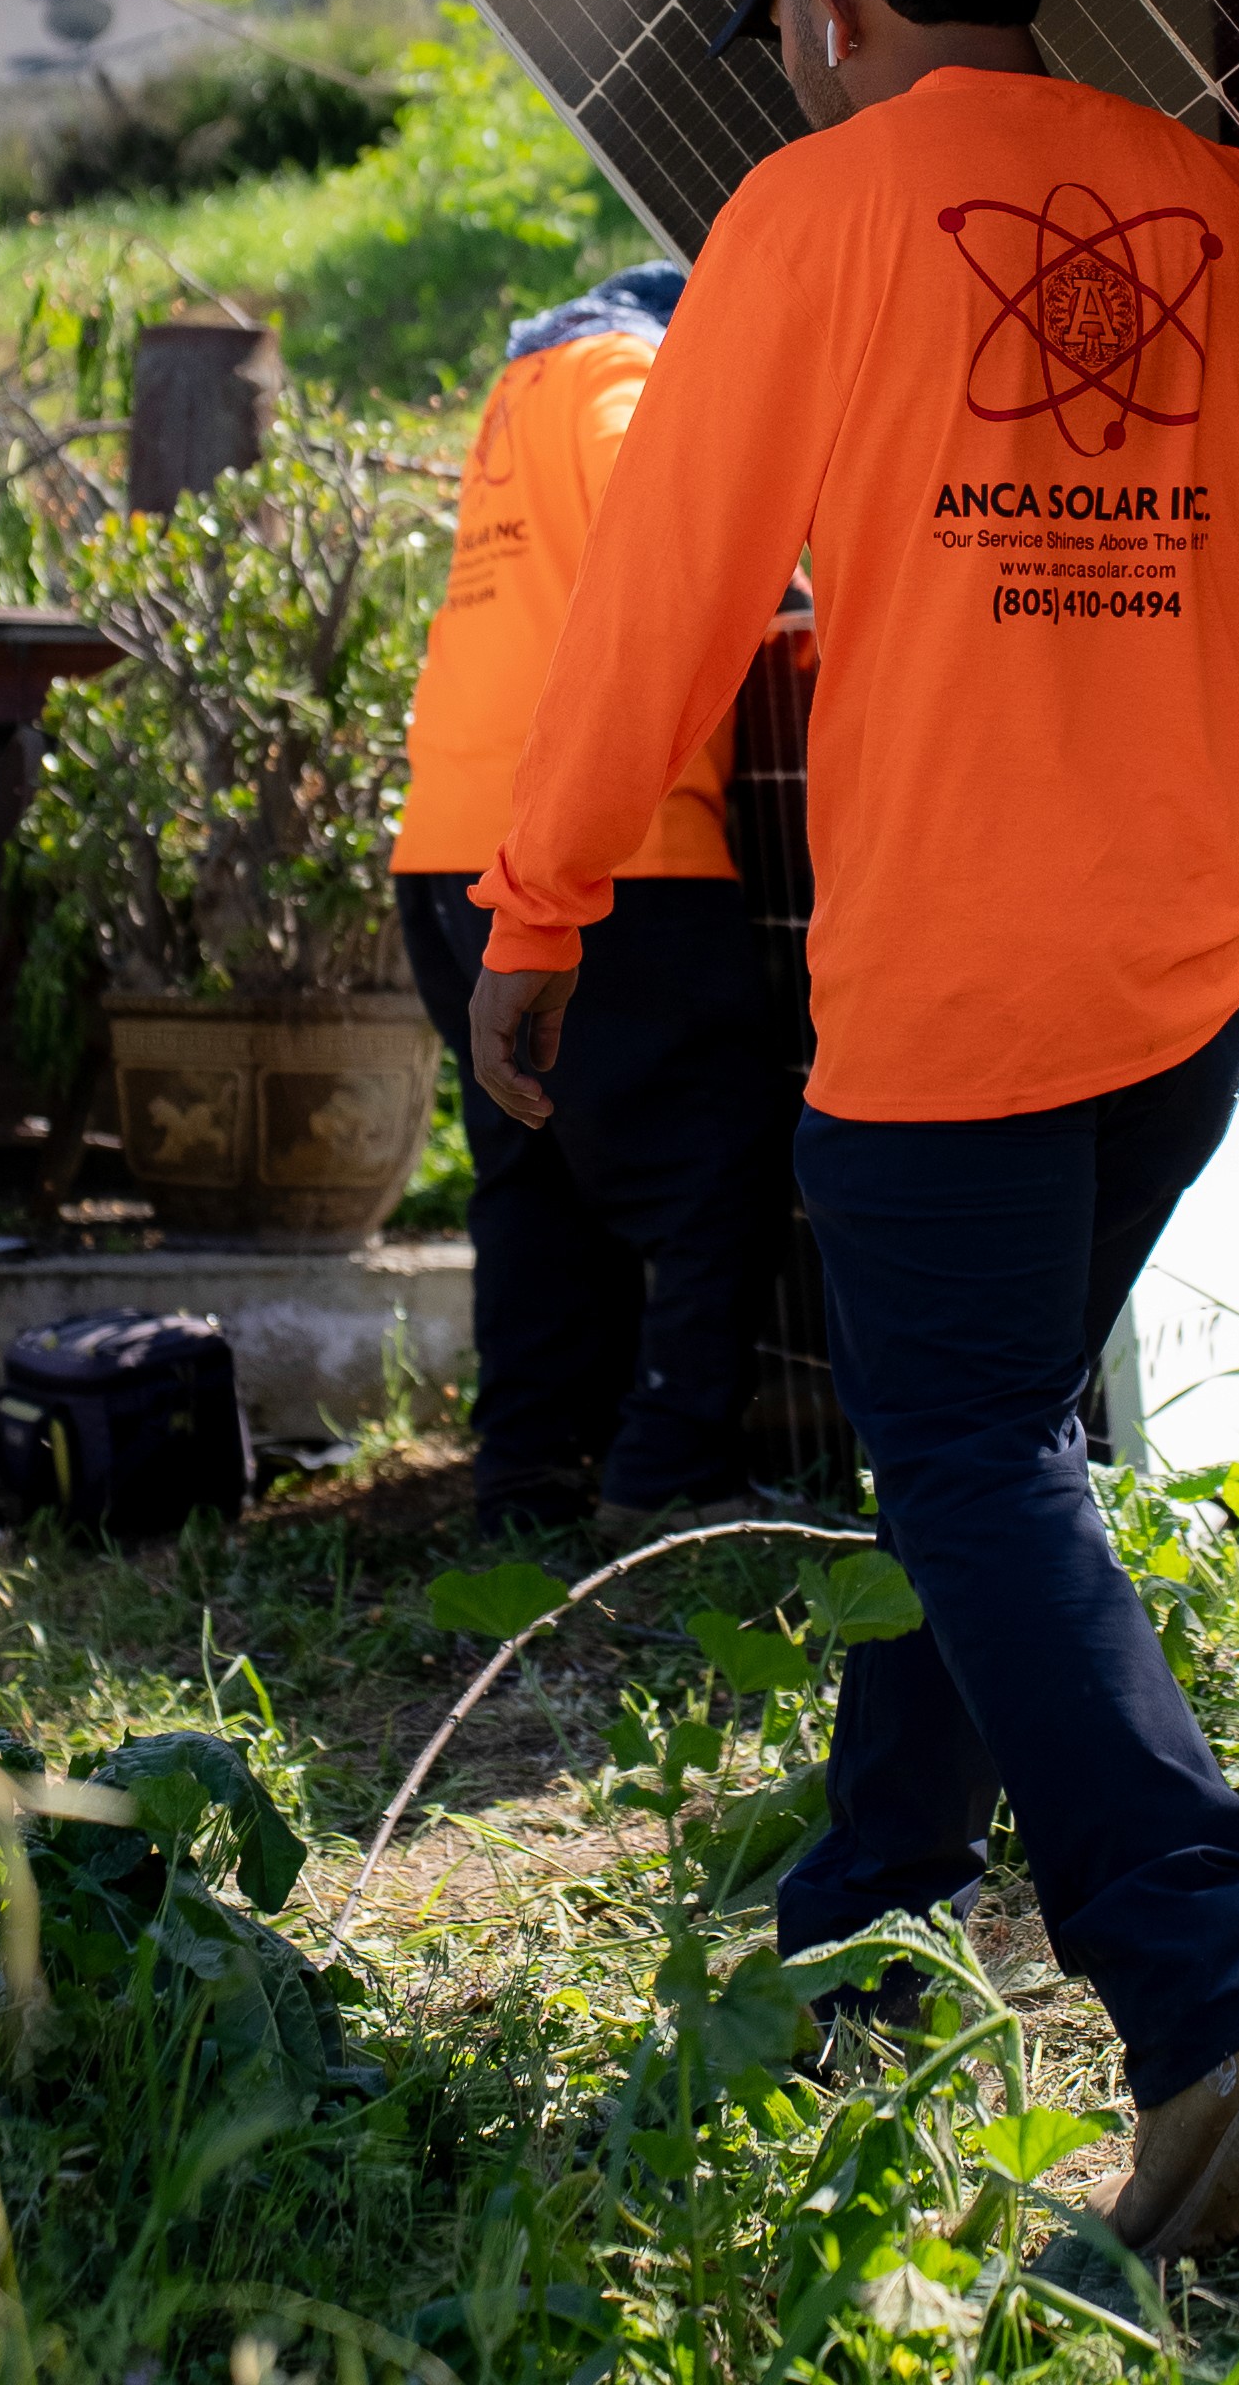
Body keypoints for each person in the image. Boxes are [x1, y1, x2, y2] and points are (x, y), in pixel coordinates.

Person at [463, 0, 1239, 2258]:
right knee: (988, 1438)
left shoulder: (805, 214)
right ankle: (871, 1908)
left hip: (956, 982)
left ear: (829, 10)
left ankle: (1211, 2000)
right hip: (1189, 968)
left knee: (961, 1448)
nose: (775, 74)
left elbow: (660, 612)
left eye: (769, 32)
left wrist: (540, 906)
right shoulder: (1235, 204)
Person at [391, 261, 792, 1543]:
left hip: (445, 845)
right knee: (713, 1163)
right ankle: (671, 1476)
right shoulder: (632, 366)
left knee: (537, 1172)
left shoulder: (523, 387)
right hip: (609, 848)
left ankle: (527, 1475)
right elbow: (664, 510)